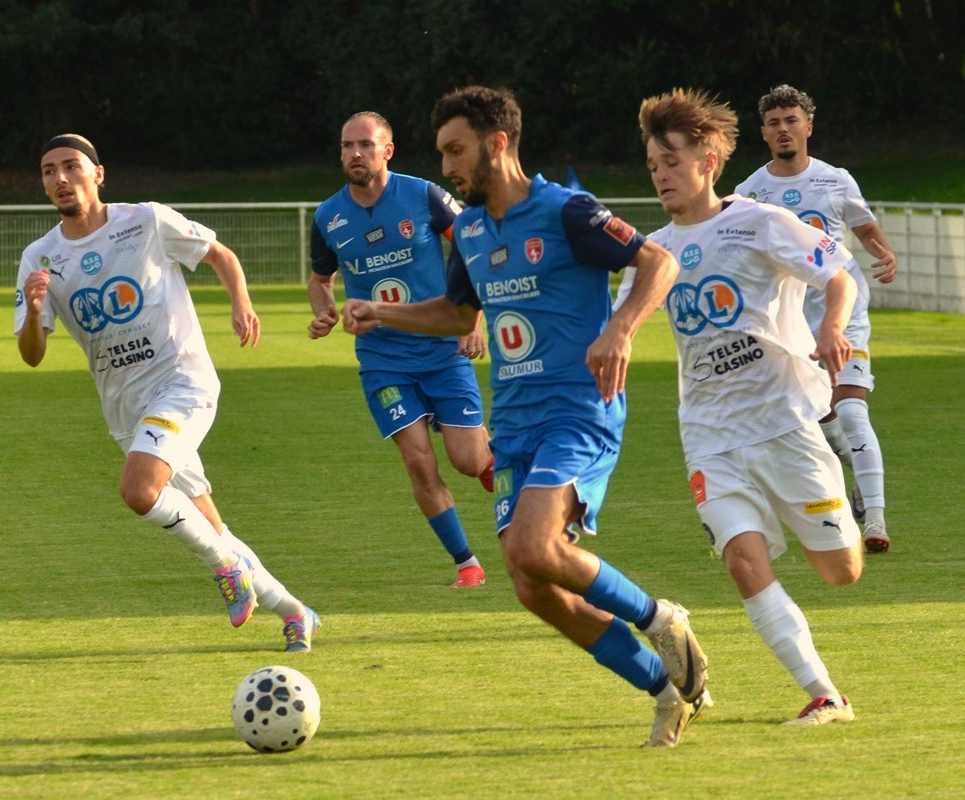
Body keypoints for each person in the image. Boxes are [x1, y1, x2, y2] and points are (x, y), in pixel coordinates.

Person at [342, 86, 710, 749]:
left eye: (456, 151)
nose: (447, 167)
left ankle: (659, 618)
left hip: (577, 411)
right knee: (531, 586)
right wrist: (381, 311)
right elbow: (457, 314)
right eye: (442, 153)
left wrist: (621, 328)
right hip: (513, 425)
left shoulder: (566, 210)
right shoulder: (470, 230)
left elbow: (658, 260)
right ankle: (664, 690)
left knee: (532, 548)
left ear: (497, 143)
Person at [16, 134, 320, 652]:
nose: (60, 178)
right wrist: (35, 310)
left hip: (182, 382)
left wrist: (241, 302)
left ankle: (225, 568)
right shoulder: (39, 257)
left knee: (139, 491)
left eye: (71, 166)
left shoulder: (147, 220)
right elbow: (31, 354)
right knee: (210, 525)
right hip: (125, 409)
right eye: (49, 171)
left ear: (98, 174)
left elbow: (219, 254)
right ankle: (296, 612)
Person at [621, 87, 864, 725]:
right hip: (709, 435)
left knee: (841, 571)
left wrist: (831, 327)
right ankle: (825, 695)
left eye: (671, 161)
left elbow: (838, 274)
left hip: (785, 422)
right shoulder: (654, 251)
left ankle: (837, 484)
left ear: (708, 161)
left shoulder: (759, 221)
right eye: (653, 165)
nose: (661, 175)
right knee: (742, 560)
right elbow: (616, 321)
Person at [308, 112, 493, 588]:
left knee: (468, 461)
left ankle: (495, 461)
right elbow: (320, 279)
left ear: (387, 150)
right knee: (417, 461)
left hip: (442, 348)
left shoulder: (424, 195)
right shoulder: (328, 217)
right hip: (382, 360)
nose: (354, 154)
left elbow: (473, 245)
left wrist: (472, 319)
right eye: (347, 146)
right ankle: (467, 563)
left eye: (365, 145)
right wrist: (325, 310)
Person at [734, 84, 896, 553]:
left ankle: (876, 520)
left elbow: (865, 228)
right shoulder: (749, 193)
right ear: (764, 133)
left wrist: (885, 255)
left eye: (791, 120)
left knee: (852, 409)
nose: (783, 129)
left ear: (808, 126)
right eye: (774, 123)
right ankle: (852, 469)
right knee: (817, 421)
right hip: (787, 324)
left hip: (842, 312)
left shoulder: (835, 180)